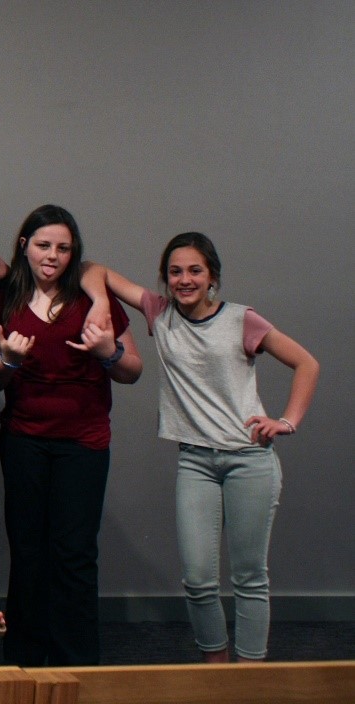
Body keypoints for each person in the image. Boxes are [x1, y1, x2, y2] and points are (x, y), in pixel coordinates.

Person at [84, 233, 318, 663]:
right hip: (195, 461)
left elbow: (307, 363)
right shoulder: (159, 313)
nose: (184, 279)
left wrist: (287, 421)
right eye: (175, 271)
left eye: (195, 271)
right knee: (197, 579)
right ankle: (216, 667)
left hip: (249, 460)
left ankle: (248, 674)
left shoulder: (242, 320)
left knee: (249, 577)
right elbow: (93, 269)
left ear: (212, 277)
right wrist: (100, 304)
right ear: (165, 277)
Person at [0, 204, 143, 666]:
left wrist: (107, 351)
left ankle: (77, 663)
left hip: (83, 443)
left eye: (62, 247)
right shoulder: (4, 297)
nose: (52, 255)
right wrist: (8, 363)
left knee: (73, 555)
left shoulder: (93, 297)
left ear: (74, 253)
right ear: (24, 247)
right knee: (28, 551)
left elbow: (132, 371)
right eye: (42, 245)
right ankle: (25, 661)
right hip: (23, 440)